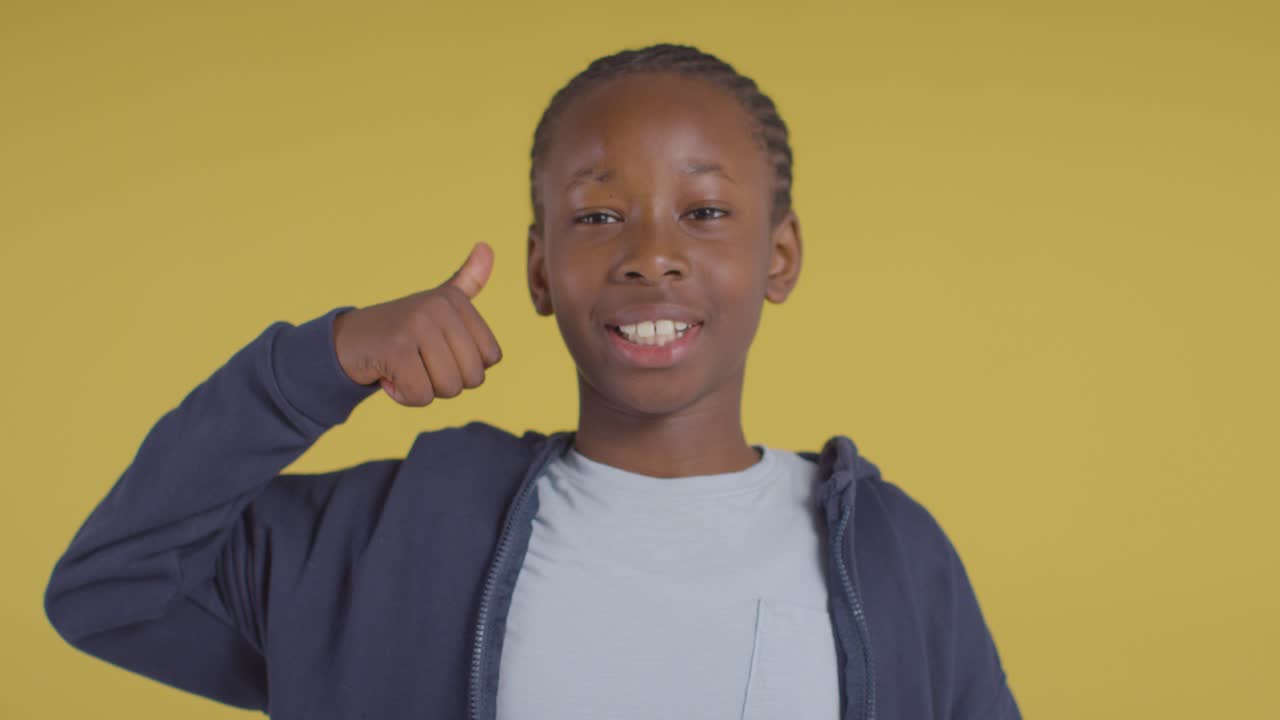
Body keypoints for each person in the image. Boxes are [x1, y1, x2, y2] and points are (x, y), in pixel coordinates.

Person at [44, 43, 1020, 720]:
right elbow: (109, 589)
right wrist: (323, 357)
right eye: (598, 218)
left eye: (705, 212)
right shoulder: (388, 537)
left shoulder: (894, 555)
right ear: (538, 269)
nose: (651, 255)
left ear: (780, 254)